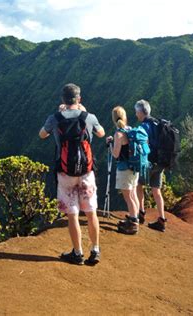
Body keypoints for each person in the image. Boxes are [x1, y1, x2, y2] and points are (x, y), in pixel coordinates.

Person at [39, 83, 105, 265]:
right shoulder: (88, 117)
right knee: (91, 212)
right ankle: (95, 250)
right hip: (86, 172)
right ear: (79, 99)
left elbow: (42, 135)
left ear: (63, 100)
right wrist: (86, 112)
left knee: (73, 214)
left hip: (65, 173)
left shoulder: (55, 118)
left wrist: (58, 115)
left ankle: (77, 253)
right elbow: (101, 133)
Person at [107, 106, 140, 235]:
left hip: (124, 169)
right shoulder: (130, 129)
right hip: (134, 168)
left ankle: (133, 222)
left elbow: (115, 154)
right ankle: (135, 217)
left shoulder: (118, 134)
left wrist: (110, 144)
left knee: (128, 196)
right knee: (133, 194)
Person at [134, 99, 167, 232]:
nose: (136, 114)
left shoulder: (143, 127)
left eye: (136, 112)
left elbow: (141, 144)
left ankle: (140, 213)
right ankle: (161, 220)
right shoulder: (158, 123)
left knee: (139, 185)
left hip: (148, 162)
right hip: (160, 162)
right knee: (156, 190)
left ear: (141, 112)